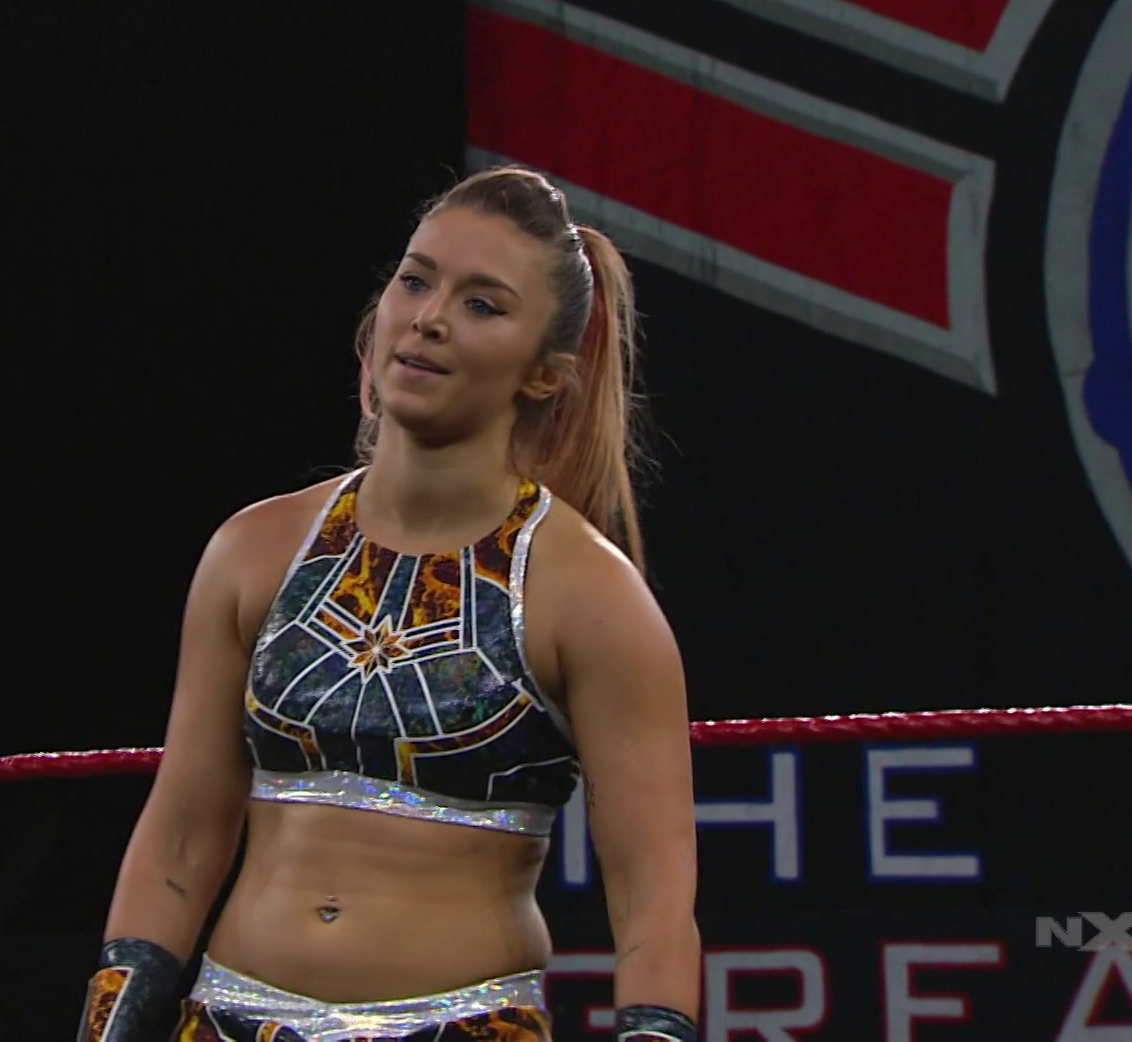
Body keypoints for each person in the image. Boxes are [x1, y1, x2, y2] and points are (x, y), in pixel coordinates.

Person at [78, 167, 700, 1042]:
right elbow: (181, 838)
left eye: (482, 305)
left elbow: (652, 902)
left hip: (460, 1025)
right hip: (228, 1017)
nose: (429, 317)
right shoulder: (254, 550)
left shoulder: (590, 596)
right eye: (415, 280)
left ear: (544, 375)